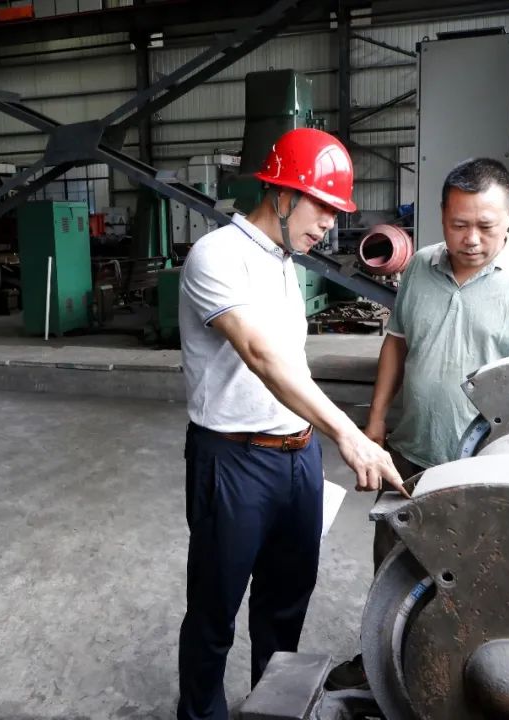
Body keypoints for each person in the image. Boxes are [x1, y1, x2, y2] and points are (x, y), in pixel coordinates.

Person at [175, 127, 408, 720]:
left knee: (286, 603)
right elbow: (261, 356)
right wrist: (349, 432)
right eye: (321, 206)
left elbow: (292, 366)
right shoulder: (217, 255)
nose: (329, 223)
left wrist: (319, 440)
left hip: (297, 458)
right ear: (280, 193)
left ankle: (272, 707)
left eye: (335, 210)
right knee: (214, 609)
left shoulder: (284, 262)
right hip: (233, 461)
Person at [325, 157, 509, 690]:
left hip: (488, 470)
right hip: (410, 455)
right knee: (392, 568)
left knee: (474, 578)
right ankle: (380, 665)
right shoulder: (421, 267)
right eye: (459, 224)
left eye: (486, 225)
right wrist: (375, 423)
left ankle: (457, 681)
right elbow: (396, 344)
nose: (472, 239)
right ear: (442, 215)